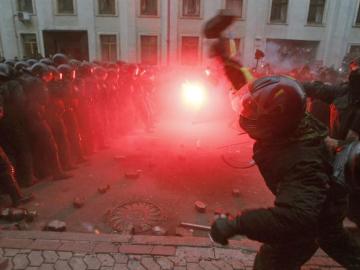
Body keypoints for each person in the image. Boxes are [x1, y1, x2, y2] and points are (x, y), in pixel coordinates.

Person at [210, 74, 360, 269]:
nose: (245, 115)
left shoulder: (302, 160)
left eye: (252, 110)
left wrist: (238, 224)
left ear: (274, 119)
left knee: (271, 263)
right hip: (324, 207)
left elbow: (297, 217)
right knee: (335, 241)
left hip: (314, 216)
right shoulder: (294, 125)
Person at [303, 68, 360, 227]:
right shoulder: (346, 92)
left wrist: (338, 144)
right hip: (341, 158)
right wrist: (289, 84)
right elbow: (319, 89)